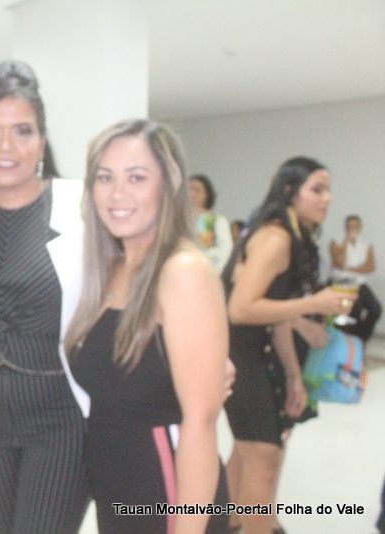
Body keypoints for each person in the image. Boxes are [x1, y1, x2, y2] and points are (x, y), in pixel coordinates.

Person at [0, 60, 90, 534]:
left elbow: (142, 278)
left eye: (22, 131)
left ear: (42, 142)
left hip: (61, 417)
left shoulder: (81, 205)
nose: (6, 147)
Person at [64, 120, 229, 533]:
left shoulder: (183, 271)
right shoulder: (113, 267)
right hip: (119, 488)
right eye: (105, 177)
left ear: (168, 187)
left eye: (136, 177)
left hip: (167, 493)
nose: (117, 193)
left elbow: (200, 422)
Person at [221, 156, 351, 533]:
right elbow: (240, 308)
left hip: (258, 355)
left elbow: (274, 315)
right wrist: (313, 304)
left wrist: (294, 374)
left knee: (249, 454)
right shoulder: (276, 238)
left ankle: (233, 523)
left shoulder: (294, 237)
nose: (327, 199)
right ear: (290, 191)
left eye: (328, 190)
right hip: (237, 357)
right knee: (263, 457)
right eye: (317, 190)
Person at [329, 214, 381, 342]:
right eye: (350, 226)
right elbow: (339, 261)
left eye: (355, 226)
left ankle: (361, 339)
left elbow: (370, 266)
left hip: (359, 283)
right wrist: (346, 241)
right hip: (342, 283)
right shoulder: (336, 241)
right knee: (354, 309)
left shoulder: (366, 245)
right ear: (345, 227)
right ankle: (349, 341)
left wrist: (349, 268)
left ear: (360, 227)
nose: (352, 229)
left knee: (376, 309)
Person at [188, 173, 233, 272]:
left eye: (196, 190)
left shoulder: (217, 220)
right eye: (189, 189)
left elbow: (225, 251)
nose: (191, 193)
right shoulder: (177, 220)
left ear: (206, 194)